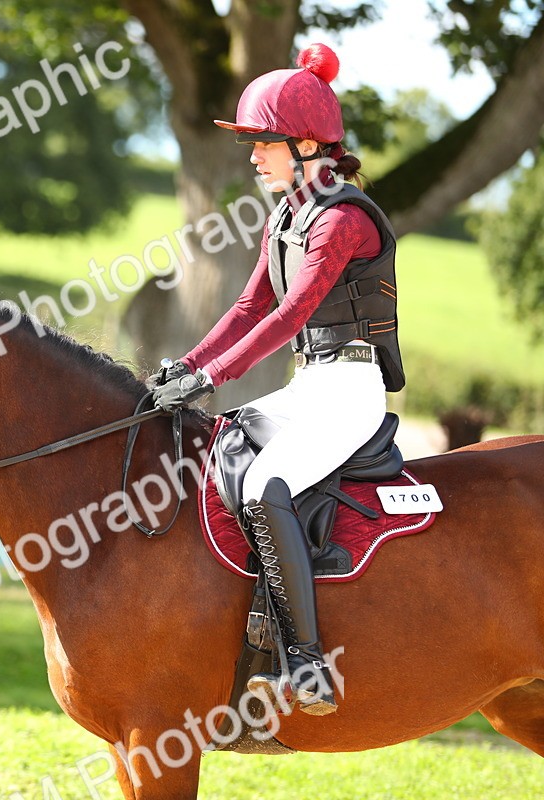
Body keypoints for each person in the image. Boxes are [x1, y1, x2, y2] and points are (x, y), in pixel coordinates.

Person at [151, 43, 404, 716]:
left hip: (350, 391)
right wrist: (186, 367)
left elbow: (294, 313)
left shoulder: (344, 220)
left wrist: (213, 377)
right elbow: (247, 308)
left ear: (307, 144)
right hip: (307, 388)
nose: (254, 155)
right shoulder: (288, 216)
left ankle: (308, 666)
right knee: (219, 456)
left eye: (264, 142)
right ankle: (253, 622)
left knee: (267, 486)